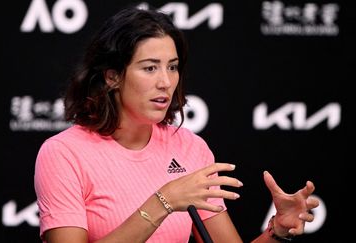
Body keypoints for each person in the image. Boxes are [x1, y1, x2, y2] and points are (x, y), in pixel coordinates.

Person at [34, 5, 319, 243]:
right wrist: (164, 201)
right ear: (112, 77)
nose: (166, 82)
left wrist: (278, 231)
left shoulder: (189, 147)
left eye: (172, 67)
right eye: (150, 67)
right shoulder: (63, 153)